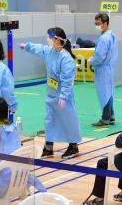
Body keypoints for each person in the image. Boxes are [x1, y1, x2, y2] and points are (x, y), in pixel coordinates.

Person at [20, 27, 82, 159]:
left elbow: (67, 80)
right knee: (50, 121)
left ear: (58, 40)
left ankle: (73, 146)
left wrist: (64, 96)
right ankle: (48, 148)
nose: (49, 40)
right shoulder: (50, 52)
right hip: (51, 95)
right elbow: (39, 49)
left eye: (51, 37)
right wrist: (27, 46)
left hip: (63, 97)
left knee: (68, 121)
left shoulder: (66, 58)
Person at [89, 13, 119, 127]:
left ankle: (105, 118)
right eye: (95, 23)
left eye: (99, 23)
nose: (97, 26)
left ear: (105, 23)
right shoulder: (112, 35)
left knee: (104, 93)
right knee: (109, 92)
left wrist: (91, 61)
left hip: (103, 68)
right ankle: (111, 116)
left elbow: (99, 56)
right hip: (109, 67)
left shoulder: (104, 39)